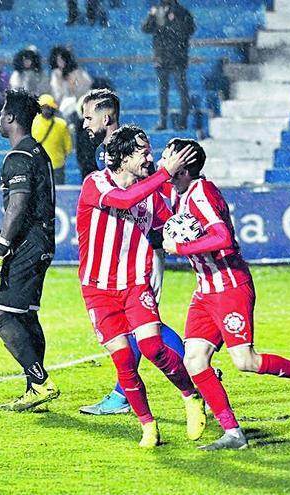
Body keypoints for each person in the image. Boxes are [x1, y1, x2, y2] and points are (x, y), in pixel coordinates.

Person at [161, 139, 290, 450]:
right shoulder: (176, 195)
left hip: (230, 288)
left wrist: (180, 248)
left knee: (245, 361)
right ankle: (233, 433)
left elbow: (223, 239)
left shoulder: (201, 193)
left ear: (183, 164)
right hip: (205, 292)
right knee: (194, 361)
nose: (161, 160)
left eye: (167, 156)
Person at [76, 124, 205, 447]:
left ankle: (191, 395)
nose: (149, 157)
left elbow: (168, 229)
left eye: (150, 151)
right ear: (122, 157)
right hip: (98, 288)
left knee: (152, 347)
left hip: (135, 283)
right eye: (143, 152)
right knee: (123, 361)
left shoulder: (153, 195)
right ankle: (148, 425)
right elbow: (123, 201)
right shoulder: (96, 183)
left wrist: (193, 233)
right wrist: (163, 173)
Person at [0, 89, 59, 412]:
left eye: (1, 112)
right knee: (26, 315)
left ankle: (39, 381)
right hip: (43, 241)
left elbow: (17, 205)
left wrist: (0, 249)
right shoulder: (39, 152)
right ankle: (33, 388)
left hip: (26, 242)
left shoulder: (18, 157)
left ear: (10, 118)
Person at [142, 0, 194, 130]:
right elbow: (145, 28)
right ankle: (163, 121)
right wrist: (151, 16)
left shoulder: (182, 12)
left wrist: (168, 22)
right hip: (162, 57)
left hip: (177, 57)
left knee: (181, 89)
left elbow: (187, 30)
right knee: (163, 91)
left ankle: (183, 121)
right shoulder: (157, 11)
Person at [31, 94, 72, 185]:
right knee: (58, 194)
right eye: (45, 107)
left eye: (48, 107)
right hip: (55, 166)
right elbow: (68, 148)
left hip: (41, 165)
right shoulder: (62, 124)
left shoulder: (33, 122)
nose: (47, 110)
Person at [49, 46, 93, 122]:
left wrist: (74, 87)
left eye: (62, 59)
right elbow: (56, 93)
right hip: (62, 106)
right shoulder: (55, 74)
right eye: (58, 60)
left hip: (77, 103)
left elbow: (86, 86)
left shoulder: (77, 72)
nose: (60, 62)